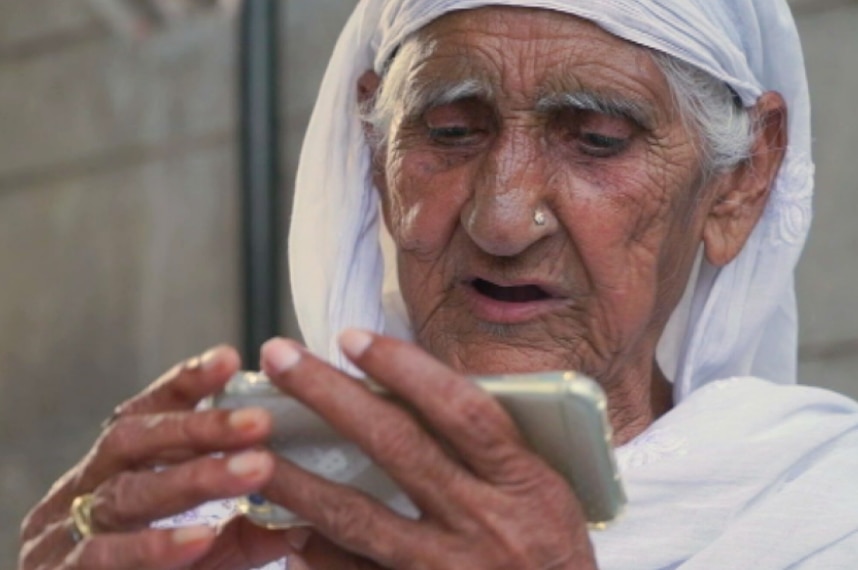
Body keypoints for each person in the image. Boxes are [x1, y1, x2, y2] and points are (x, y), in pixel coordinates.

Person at [18, 1, 858, 569]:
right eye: (450, 132)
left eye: (597, 140)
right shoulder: (220, 515)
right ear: (376, 157)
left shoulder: (827, 511)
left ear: (742, 179)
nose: (500, 218)